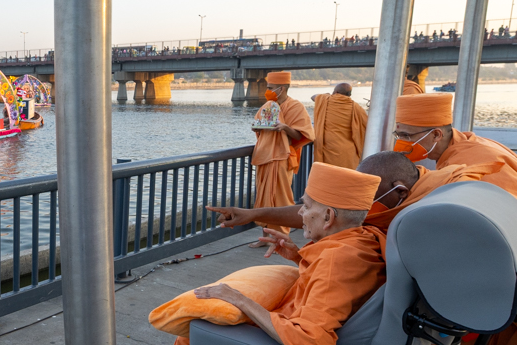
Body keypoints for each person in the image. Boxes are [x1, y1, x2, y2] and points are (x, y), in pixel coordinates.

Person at [392, 92, 517, 345]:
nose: (400, 142)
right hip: (497, 283)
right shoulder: (466, 151)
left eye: (406, 135)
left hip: (499, 284)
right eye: (398, 133)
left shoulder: (473, 166)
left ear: (436, 134)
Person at [149, 162, 386, 345]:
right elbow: (327, 286)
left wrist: (239, 299)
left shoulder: (336, 261)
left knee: (195, 333)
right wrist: (297, 257)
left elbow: (310, 342)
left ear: (328, 217)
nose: (300, 213)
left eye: (306, 206)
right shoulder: (364, 238)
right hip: (290, 320)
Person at [208, 150, 517, 233]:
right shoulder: (406, 195)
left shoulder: (432, 209)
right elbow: (318, 211)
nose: (364, 202)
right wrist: (252, 214)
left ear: (398, 191)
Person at [251, 71, 314, 232]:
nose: (268, 91)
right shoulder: (267, 106)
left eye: (271, 88)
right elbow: (260, 127)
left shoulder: (295, 107)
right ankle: (266, 235)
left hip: (282, 158)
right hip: (264, 157)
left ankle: (281, 235)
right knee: (264, 197)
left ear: (282, 89)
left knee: (281, 198)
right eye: (267, 87)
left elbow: (301, 136)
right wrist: (256, 128)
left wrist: (285, 128)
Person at [311, 83, 367, 169]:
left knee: (328, 175)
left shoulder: (325, 99)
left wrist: (326, 95)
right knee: (346, 176)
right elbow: (367, 126)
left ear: (336, 92)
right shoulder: (356, 108)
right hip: (348, 152)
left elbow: (313, 97)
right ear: (350, 95)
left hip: (328, 149)